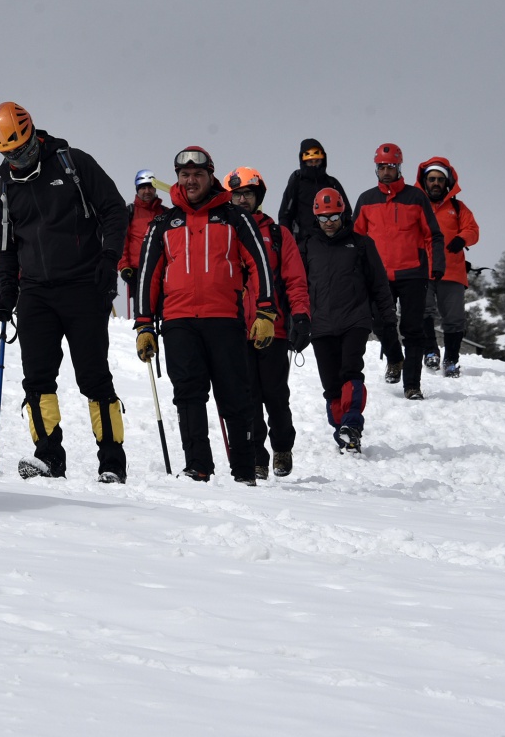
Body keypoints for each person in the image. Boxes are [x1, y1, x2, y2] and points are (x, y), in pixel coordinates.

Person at [0, 102, 129, 482]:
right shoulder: (4, 190)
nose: (21, 157)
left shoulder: (73, 164)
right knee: (37, 378)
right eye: (11, 153)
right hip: (35, 293)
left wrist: (108, 258)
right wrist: (6, 291)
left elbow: (115, 210)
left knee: (94, 377)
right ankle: (49, 457)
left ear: (34, 134)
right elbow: (4, 247)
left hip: (84, 286)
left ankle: (112, 462)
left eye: (26, 148)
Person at [134, 147, 276, 484]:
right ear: (178, 179)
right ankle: (198, 465)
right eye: (184, 175)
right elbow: (148, 276)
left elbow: (260, 264)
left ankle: (244, 470)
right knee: (188, 393)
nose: (191, 180)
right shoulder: (164, 223)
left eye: (198, 174)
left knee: (235, 395)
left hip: (225, 319)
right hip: (178, 321)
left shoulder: (234, 218)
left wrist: (266, 311)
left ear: (211, 176)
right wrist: (143, 325)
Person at [224, 167, 310, 479]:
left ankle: (282, 446)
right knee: (248, 398)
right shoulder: (225, 233)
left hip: (274, 328)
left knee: (274, 394)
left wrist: (301, 315)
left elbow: (295, 280)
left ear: (258, 197)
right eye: (237, 194)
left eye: (248, 193)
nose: (242, 199)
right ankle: (257, 457)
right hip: (235, 330)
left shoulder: (277, 234)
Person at [302, 188, 397, 454]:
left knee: (350, 371)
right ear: (316, 217)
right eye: (323, 217)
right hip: (320, 324)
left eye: (334, 216)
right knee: (331, 384)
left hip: (355, 319)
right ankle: (341, 430)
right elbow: (297, 286)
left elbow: (379, 284)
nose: (329, 222)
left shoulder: (362, 244)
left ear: (343, 213)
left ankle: (353, 423)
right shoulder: (308, 246)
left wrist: (387, 318)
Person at [352, 143, 444, 400]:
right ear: (376, 169)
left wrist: (437, 264)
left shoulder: (416, 197)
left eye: (391, 166)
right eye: (382, 167)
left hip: (413, 272)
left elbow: (433, 235)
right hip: (378, 275)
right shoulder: (366, 199)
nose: (386, 171)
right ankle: (394, 358)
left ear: (399, 167)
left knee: (413, 329)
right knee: (379, 322)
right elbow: (355, 240)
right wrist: (354, 270)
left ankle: (412, 385)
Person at [414, 157, 479, 378]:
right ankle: (430, 351)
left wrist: (462, 239)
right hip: (421, 269)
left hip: (452, 271)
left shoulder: (458, 207)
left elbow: (473, 230)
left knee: (455, 318)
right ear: (424, 181)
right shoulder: (415, 205)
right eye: (431, 179)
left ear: (447, 182)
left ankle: (451, 359)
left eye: (440, 179)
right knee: (422, 311)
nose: (435, 183)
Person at [276, 138, 350, 249]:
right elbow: (285, 216)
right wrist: (286, 243)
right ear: (303, 162)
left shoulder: (332, 183)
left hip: (333, 242)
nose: (314, 165)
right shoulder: (296, 183)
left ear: (323, 160)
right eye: (310, 162)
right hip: (304, 243)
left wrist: (344, 236)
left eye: (317, 161)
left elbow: (346, 212)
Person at [118, 169, 165, 314]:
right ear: (137, 190)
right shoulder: (129, 212)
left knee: (165, 312)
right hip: (137, 271)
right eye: (143, 188)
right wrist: (124, 266)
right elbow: (122, 241)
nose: (147, 191)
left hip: (162, 270)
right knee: (142, 312)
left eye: (150, 187)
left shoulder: (165, 213)